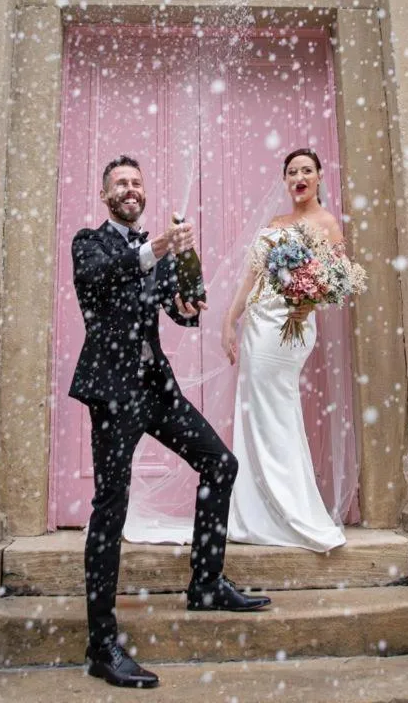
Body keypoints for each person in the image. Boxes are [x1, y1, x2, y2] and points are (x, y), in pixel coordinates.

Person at [70, 155, 271, 690]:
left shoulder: (153, 255)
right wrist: (155, 249)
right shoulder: (89, 243)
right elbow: (100, 280)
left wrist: (188, 285)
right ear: (105, 193)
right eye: (121, 183)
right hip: (112, 392)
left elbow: (181, 313)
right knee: (111, 508)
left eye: (137, 183)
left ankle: (205, 585)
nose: (131, 189)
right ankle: (101, 645)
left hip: (155, 389)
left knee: (219, 464)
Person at [220, 148, 348, 552]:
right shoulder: (276, 223)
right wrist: (230, 318)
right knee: (253, 410)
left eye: (307, 170)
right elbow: (253, 274)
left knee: (278, 410)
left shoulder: (327, 223)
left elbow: (338, 281)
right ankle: (255, 509)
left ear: (319, 177)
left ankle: (291, 508)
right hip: (259, 324)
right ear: (285, 180)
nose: (299, 178)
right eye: (292, 172)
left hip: (290, 327)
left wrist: (309, 300)